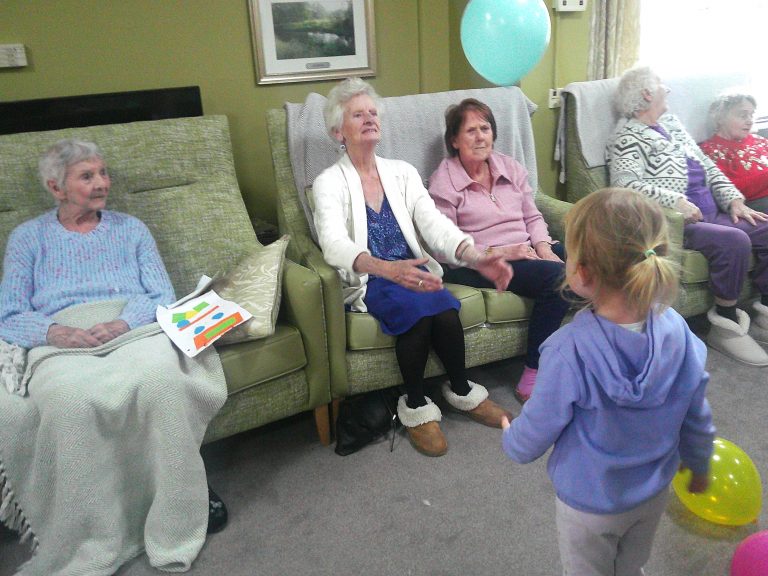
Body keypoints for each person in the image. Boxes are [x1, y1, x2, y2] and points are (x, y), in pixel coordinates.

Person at [0, 139, 227, 575]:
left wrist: (123, 323)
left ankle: (176, 514)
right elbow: (10, 313)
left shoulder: (131, 229)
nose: (102, 183)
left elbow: (159, 294)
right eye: (87, 176)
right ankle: (97, 531)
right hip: (62, 339)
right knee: (68, 403)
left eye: (103, 173)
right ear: (55, 187)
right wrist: (55, 331)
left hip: (133, 328)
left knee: (163, 383)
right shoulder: (27, 238)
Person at [501, 187, 715, 576]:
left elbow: (540, 423)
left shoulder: (567, 350)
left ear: (581, 272)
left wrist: (512, 439)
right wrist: (699, 463)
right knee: (632, 564)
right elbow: (696, 411)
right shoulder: (680, 332)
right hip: (652, 492)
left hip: (588, 502)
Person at [312, 78, 514, 457]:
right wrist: (387, 270)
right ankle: (417, 406)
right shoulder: (328, 183)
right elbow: (333, 243)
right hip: (371, 278)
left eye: (373, 112)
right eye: (359, 114)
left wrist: (475, 255)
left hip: (416, 270)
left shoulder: (401, 173)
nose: (370, 119)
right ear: (339, 131)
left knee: (446, 309)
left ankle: (463, 392)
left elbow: (434, 225)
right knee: (420, 313)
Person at [608, 65, 768, 366]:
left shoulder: (671, 123)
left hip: (712, 210)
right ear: (647, 94)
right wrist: (676, 201)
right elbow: (624, 184)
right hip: (677, 223)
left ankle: (766, 309)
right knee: (734, 240)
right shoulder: (627, 136)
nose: (667, 90)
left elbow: (706, 164)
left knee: (764, 228)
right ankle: (725, 320)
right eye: (661, 86)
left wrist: (733, 198)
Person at [429, 98, 570, 404]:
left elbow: (532, 216)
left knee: (594, 254)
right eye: (470, 131)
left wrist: (544, 247)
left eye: (486, 128)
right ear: (454, 140)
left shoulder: (510, 167)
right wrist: (505, 251)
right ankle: (533, 371)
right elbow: (443, 245)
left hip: (528, 248)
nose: (481, 136)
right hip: (476, 263)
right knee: (557, 277)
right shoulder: (445, 180)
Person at [700, 93, 768, 214]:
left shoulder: (760, 141)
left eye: (751, 115)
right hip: (752, 205)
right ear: (720, 118)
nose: (750, 121)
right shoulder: (709, 151)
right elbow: (726, 189)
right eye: (743, 115)